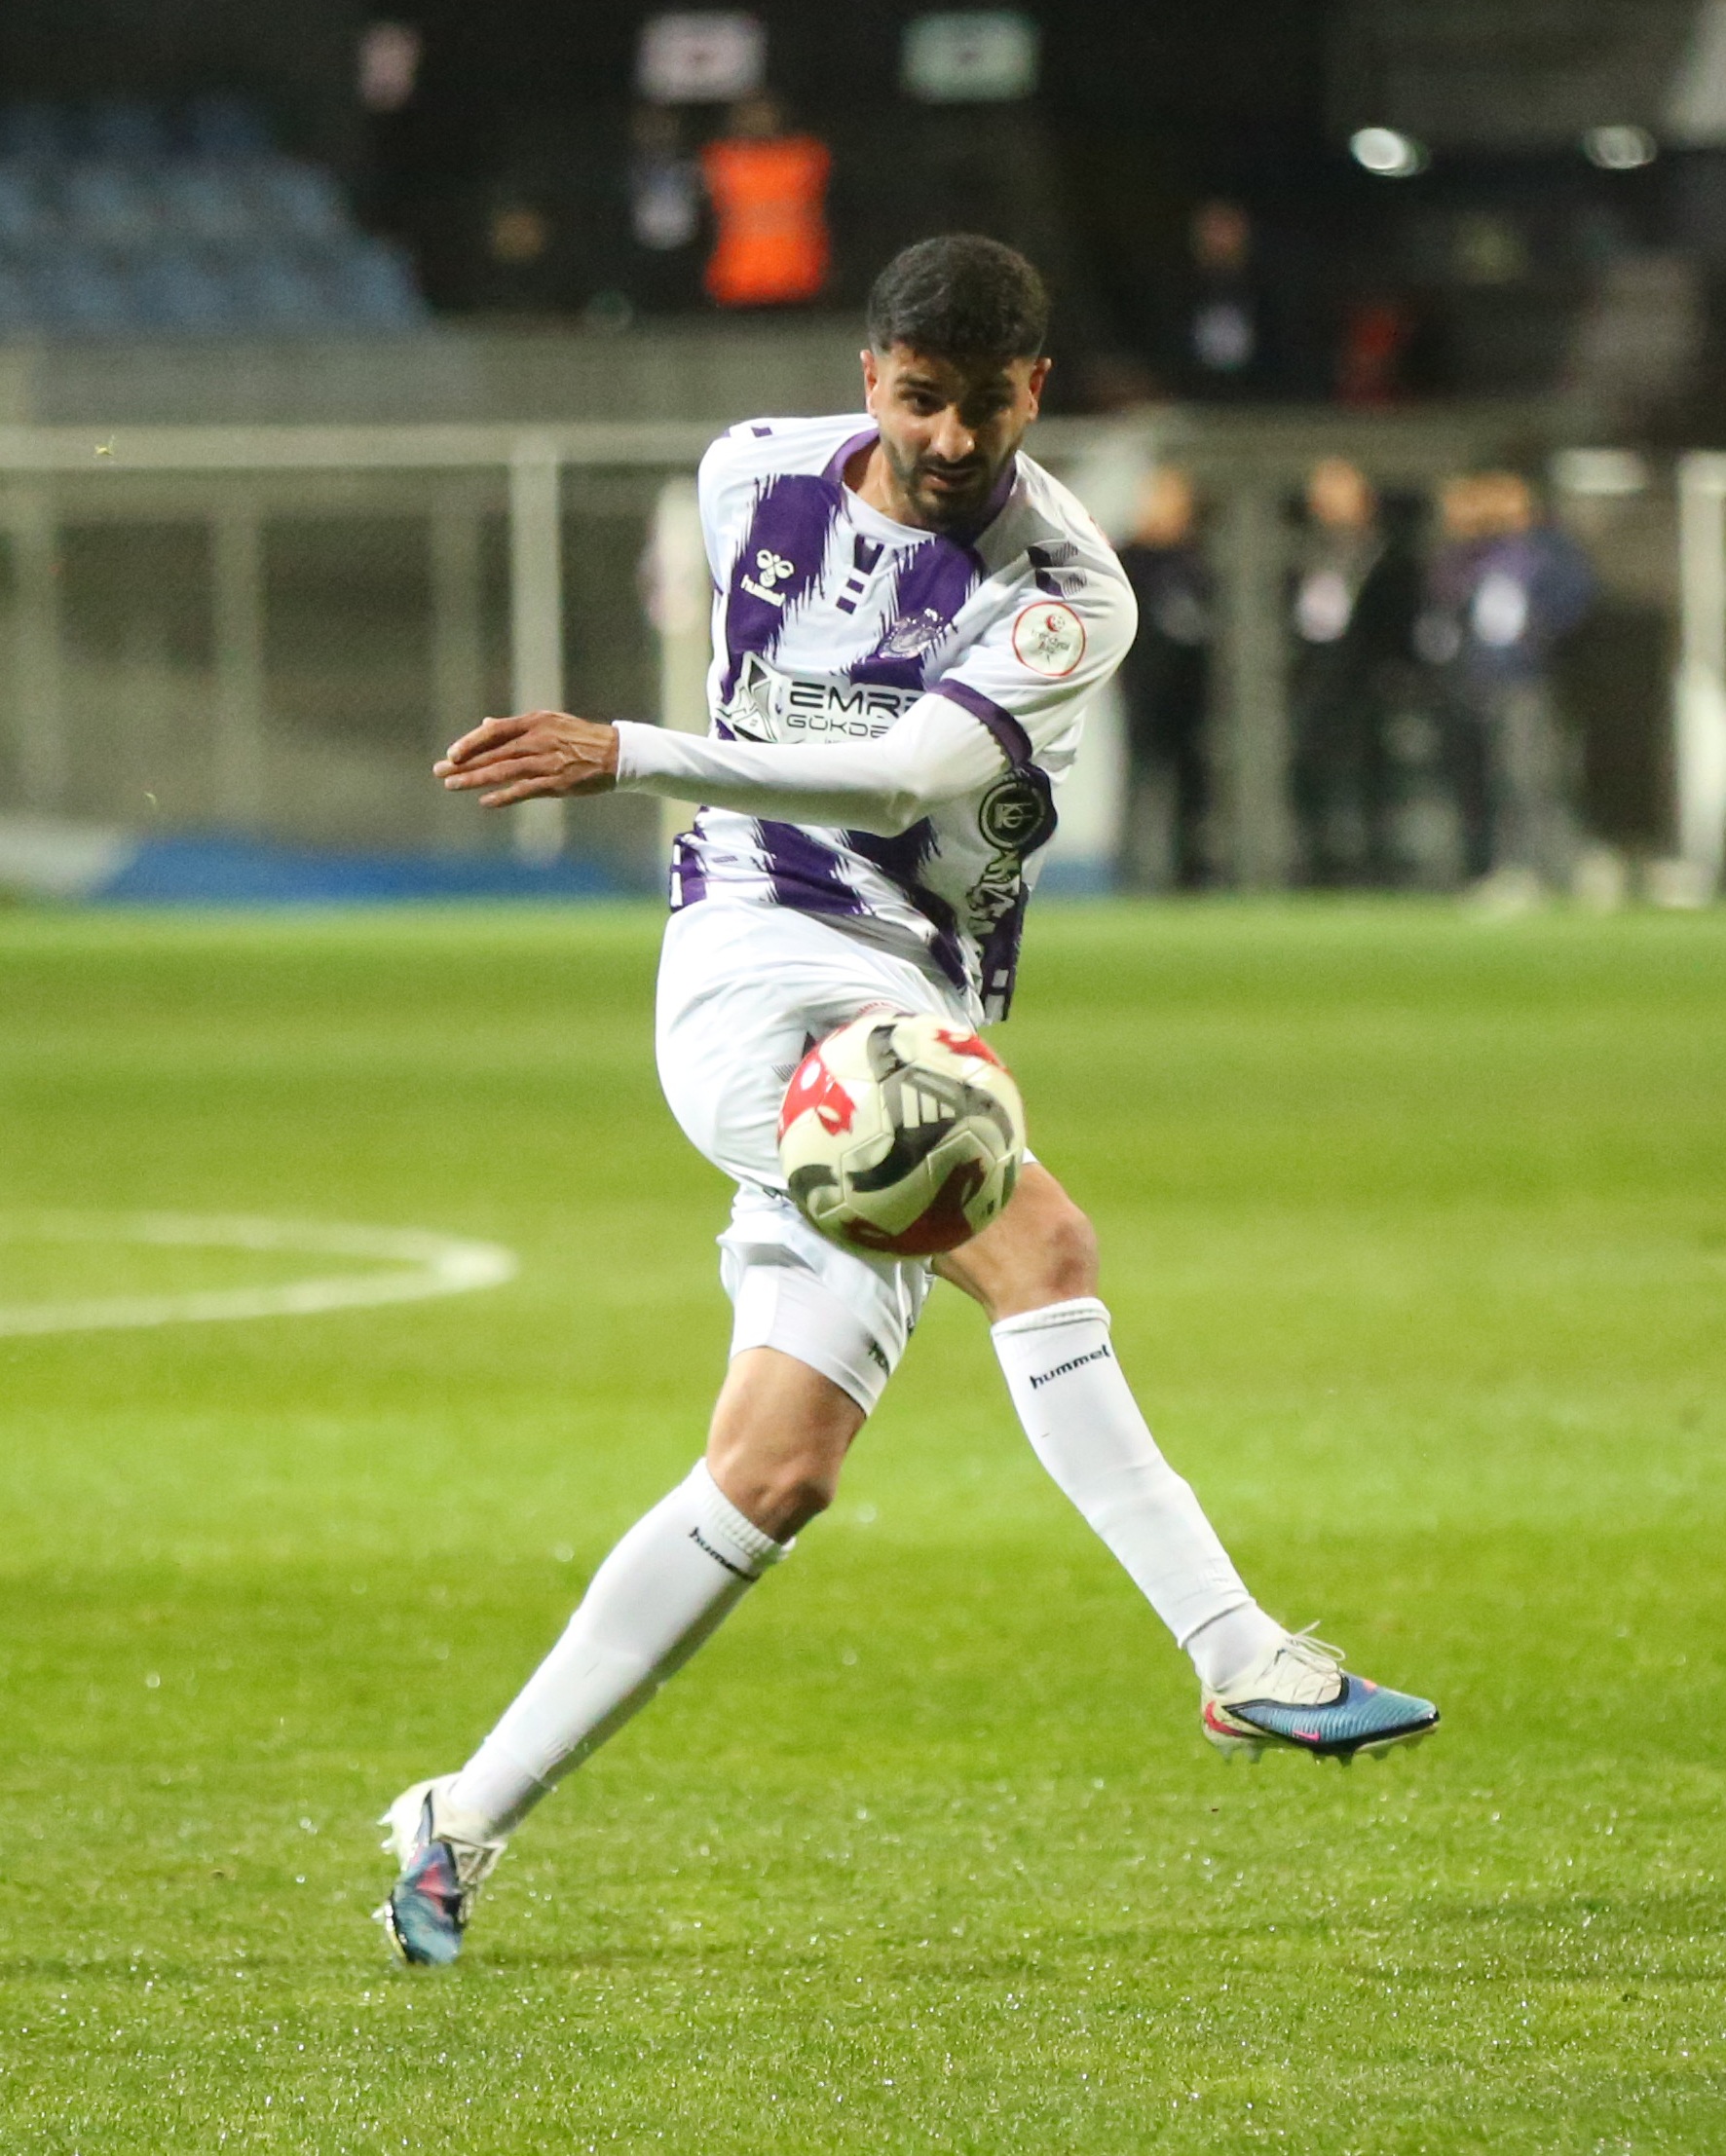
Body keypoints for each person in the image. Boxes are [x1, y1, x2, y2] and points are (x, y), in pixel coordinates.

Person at [378, 234, 1440, 1966]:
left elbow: (900, 776)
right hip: (748, 962)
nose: (949, 436)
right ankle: (1237, 1650)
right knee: (1042, 1240)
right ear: (871, 375)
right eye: (920, 397)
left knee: (775, 1470)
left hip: (909, 985)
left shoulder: (1068, 590)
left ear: (1037, 393)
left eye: (985, 404)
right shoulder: (747, 475)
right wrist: (662, 770)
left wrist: (625, 750)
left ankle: (456, 1813)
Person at [1421, 471, 1596, 893]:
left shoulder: (1547, 551)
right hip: (1477, 682)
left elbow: (1572, 604)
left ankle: (1551, 866)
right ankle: (1503, 865)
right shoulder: (1469, 557)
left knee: (1530, 776)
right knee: (1490, 779)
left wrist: (1540, 639)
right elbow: (1446, 604)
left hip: (1527, 680)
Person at [1289, 459, 1422, 886]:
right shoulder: (1309, 554)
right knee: (1311, 770)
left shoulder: (1386, 555)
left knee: (1372, 773)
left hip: (1368, 681)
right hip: (1318, 678)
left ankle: (1375, 864)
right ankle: (1320, 863)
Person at [1114, 466, 1212, 889]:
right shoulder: (1127, 559)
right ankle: (1133, 872)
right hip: (1142, 690)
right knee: (1141, 779)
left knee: (1191, 783)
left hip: (1190, 693)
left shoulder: (1197, 558)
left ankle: (1189, 874)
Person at [699, 93, 831, 309]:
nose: (758, 121)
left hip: (798, 279)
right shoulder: (719, 159)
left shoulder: (806, 156)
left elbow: (822, 215)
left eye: (764, 114)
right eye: (750, 115)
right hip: (736, 280)